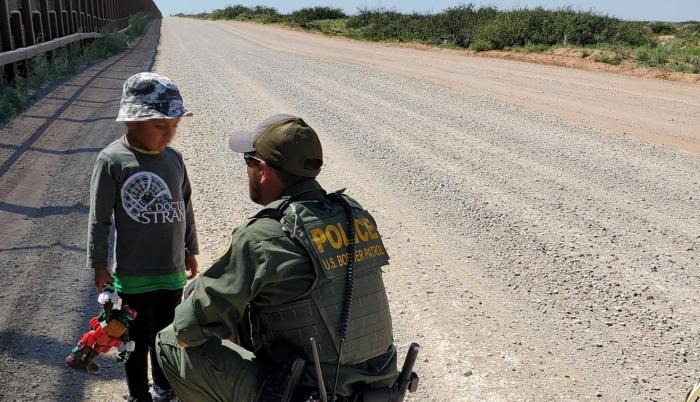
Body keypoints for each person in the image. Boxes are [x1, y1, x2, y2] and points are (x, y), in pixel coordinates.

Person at [156, 114, 399, 401]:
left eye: (248, 162)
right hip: (378, 388)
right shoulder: (353, 213)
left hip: (311, 393)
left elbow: (189, 328)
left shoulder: (263, 236)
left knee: (169, 342)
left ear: (263, 171)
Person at [87, 72, 199, 402]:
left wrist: (190, 249)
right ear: (132, 122)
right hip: (134, 276)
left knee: (165, 336)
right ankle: (139, 394)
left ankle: (164, 387)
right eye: (159, 126)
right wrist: (98, 264)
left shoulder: (174, 159)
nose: (168, 135)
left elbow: (186, 206)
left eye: (173, 127)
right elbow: (100, 219)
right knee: (133, 341)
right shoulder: (112, 161)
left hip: (171, 271)